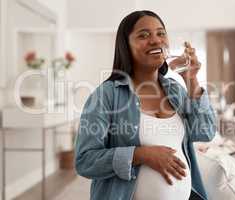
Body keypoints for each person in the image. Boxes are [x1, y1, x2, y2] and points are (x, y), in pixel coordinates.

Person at [75, 10, 217, 200]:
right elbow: (85, 161)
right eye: (144, 35)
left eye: (161, 33)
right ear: (126, 45)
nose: (156, 40)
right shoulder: (106, 95)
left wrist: (192, 80)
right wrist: (140, 155)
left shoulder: (175, 90)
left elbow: (205, 132)